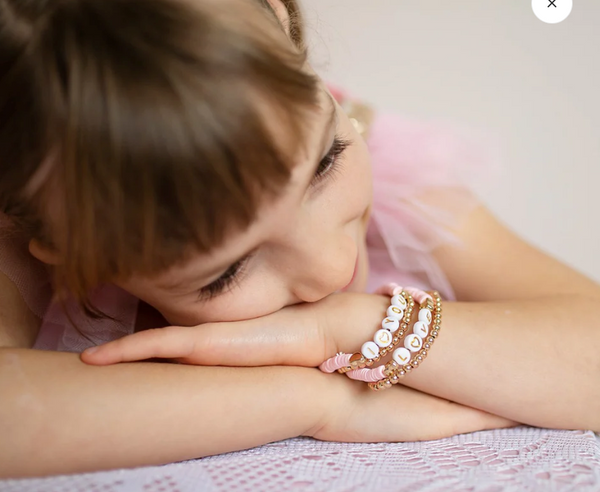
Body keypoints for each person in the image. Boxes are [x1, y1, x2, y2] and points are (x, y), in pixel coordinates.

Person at [1, 0, 598, 479]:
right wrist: (316, 401)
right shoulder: (29, 235)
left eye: (326, 164)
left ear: (283, 19)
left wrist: (338, 329)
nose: (333, 268)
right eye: (225, 271)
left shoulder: (394, 165)